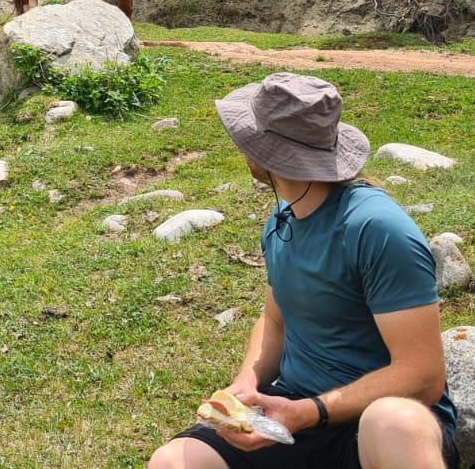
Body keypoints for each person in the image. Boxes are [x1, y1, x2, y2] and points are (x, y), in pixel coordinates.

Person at [147, 72, 456, 469]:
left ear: (266, 152)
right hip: (296, 410)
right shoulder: (282, 220)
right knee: (173, 462)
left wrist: (310, 411)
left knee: (395, 421)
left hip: (371, 423)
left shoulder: (376, 228)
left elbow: (423, 375)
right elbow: (275, 320)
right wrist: (247, 383)